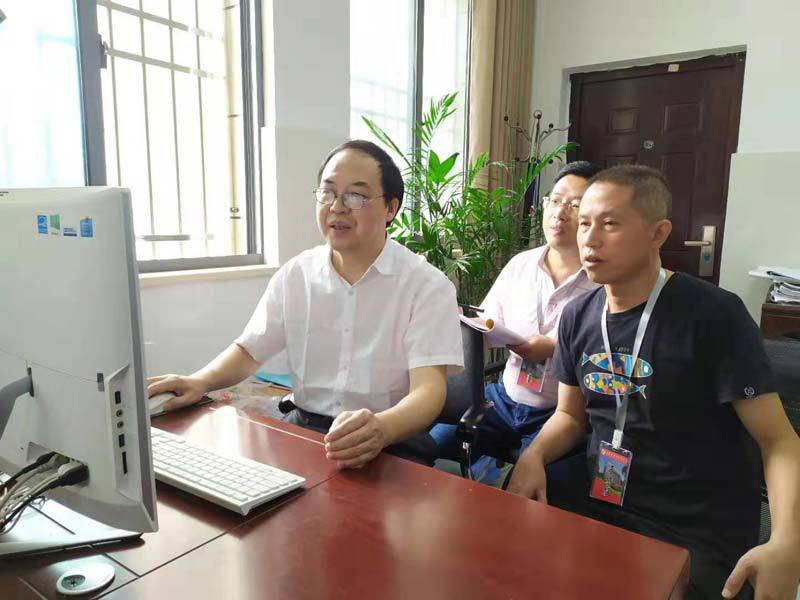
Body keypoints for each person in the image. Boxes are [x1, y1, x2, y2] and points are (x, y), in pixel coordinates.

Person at [507, 165, 800, 599]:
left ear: (657, 233)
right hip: (603, 502)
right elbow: (570, 416)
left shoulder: (714, 315)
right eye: (584, 223)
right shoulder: (578, 316)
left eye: (609, 224)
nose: (589, 239)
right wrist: (533, 456)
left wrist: (787, 543)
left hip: (694, 527)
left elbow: (778, 441)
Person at [148, 140, 464, 468]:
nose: (337, 207)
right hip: (306, 427)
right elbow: (250, 350)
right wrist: (200, 381)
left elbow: (429, 392)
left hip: (391, 437)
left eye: (355, 196)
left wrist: (382, 428)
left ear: (390, 209)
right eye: (328, 193)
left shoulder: (426, 285)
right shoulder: (297, 274)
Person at [429, 161, 601, 482]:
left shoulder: (602, 280)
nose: (560, 213)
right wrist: (462, 325)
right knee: (431, 443)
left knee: (527, 487)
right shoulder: (521, 264)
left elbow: (609, 355)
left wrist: (555, 349)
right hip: (503, 399)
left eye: (574, 205)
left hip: (559, 413)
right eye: (556, 200)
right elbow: (486, 322)